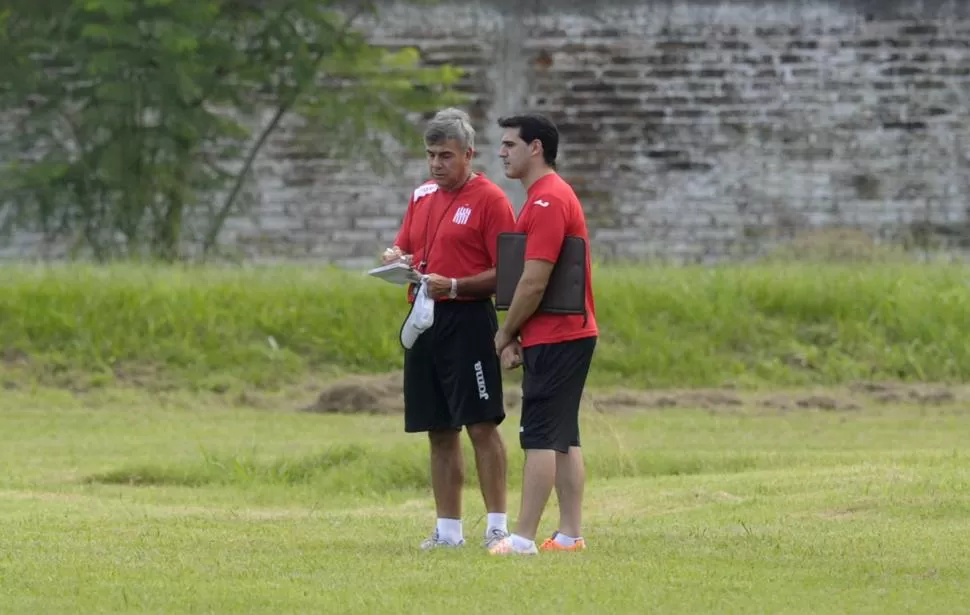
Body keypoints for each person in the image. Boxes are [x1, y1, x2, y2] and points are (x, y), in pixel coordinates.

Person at [381, 107, 517, 551]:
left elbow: (509, 272)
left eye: (445, 156)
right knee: (438, 428)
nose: (437, 164)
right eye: (431, 155)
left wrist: (456, 284)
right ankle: (448, 531)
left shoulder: (491, 200)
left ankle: (497, 525)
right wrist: (396, 259)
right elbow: (408, 247)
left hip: (469, 320)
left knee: (480, 424)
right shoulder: (421, 196)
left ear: (468, 155)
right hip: (424, 318)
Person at [487, 112, 599, 556]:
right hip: (561, 333)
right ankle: (570, 535)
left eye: (510, 144)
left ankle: (522, 538)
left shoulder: (549, 199)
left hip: (559, 336)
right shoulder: (540, 198)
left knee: (538, 436)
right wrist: (516, 333)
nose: (501, 152)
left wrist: (504, 332)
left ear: (536, 148)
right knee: (562, 436)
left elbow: (534, 280)